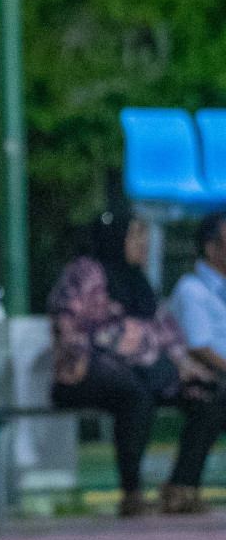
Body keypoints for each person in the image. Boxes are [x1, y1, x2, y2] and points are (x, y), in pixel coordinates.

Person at [48, 210, 213, 517]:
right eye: (135, 235)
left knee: (209, 393)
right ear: (117, 237)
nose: (143, 243)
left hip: (143, 370)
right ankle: (132, 494)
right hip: (86, 372)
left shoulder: (138, 281)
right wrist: (86, 353)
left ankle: (182, 487)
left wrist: (184, 365)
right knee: (136, 395)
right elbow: (68, 320)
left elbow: (166, 331)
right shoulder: (87, 272)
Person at [162, 211, 226, 514]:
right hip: (190, 378)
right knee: (214, 399)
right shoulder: (192, 289)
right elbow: (199, 348)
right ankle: (181, 487)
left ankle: (182, 486)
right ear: (212, 248)